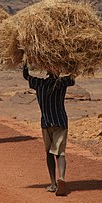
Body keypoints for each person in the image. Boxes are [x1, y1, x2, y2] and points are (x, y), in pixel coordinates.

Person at [23, 64, 75, 196]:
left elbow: (26, 76)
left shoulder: (39, 83)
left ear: (46, 71)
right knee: (60, 153)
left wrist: (25, 61)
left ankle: (53, 183)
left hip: (46, 123)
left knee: (49, 153)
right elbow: (73, 78)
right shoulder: (62, 82)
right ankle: (62, 177)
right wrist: (72, 64)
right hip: (61, 122)